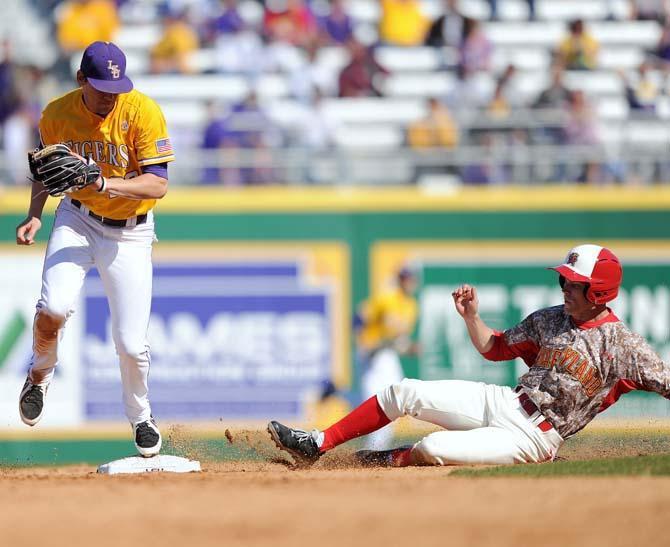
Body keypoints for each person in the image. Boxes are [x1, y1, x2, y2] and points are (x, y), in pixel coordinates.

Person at [268, 244, 670, 468]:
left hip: (535, 437)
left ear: (598, 292)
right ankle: (317, 443)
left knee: (435, 449)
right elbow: (494, 348)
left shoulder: (624, 346)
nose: (564, 286)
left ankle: (387, 459)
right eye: (563, 278)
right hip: (506, 400)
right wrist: (473, 317)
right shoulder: (551, 319)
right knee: (402, 392)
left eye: (574, 283)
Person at [15, 41, 174, 457]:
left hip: (132, 231)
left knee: (130, 343)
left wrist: (107, 183)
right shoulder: (57, 113)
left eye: (116, 86)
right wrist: (35, 213)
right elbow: (46, 168)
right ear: (81, 79)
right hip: (78, 217)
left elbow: (158, 184)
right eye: (101, 86)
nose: (110, 95)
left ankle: (141, 416)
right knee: (53, 307)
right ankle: (39, 376)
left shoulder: (142, 111)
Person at [354, 267, 419, 449]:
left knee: (396, 401)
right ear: (399, 280)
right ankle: (372, 450)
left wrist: (410, 348)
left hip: (388, 356)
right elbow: (358, 317)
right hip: (371, 355)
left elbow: (398, 341)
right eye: (405, 278)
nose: (408, 282)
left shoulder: (412, 306)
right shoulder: (386, 298)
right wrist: (362, 341)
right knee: (372, 403)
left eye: (411, 279)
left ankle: (373, 450)